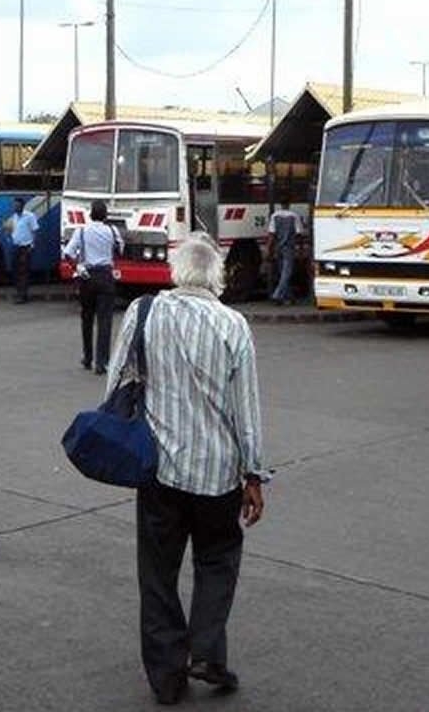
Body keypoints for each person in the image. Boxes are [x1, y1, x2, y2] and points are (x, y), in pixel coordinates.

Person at [104, 233, 269, 706]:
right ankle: (207, 650)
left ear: (175, 271)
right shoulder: (232, 324)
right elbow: (247, 409)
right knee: (217, 560)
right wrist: (253, 475)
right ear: (216, 275)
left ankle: (167, 679)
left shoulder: (144, 312)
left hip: (158, 470)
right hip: (218, 473)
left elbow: (119, 380)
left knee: (157, 574)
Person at [62, 200, 123, 375]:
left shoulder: (81, 231)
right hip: (105, 276)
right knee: (105, 321)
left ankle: (87, 357)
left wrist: (77, 268)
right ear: (105, 216)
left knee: (87, 318)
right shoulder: (112, 231)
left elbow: (68, 254)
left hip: (86, 277)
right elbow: (120, 250)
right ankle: (102, 362)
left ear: (90, 215)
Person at [3, 197, 39, 304]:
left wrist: (32, 245)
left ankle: (22, 296)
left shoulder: (30, 216)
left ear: (22, 206)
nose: (15, 207)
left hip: (26, 247)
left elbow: (35, 231)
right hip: (15, 246)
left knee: (23, 271)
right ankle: (21, 293)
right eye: (14, 205)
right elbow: (11, 230)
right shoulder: (13, 217)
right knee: (15, 271)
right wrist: (8, 235)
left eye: (17, 205)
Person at [267, 198, 302, 305]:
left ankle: (288, 297)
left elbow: (271, 235)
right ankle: (277, 294)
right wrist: (300, 249)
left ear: (280, 204)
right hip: (289, 248)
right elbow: (299, 233)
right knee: (286, 273)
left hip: (278, 248)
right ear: (289, 204)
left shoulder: (274, 216)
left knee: (282, 272)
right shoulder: (294, 216)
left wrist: (269, 249)